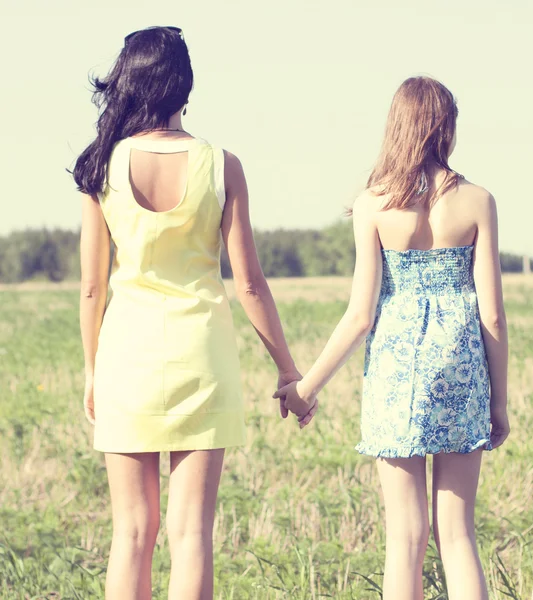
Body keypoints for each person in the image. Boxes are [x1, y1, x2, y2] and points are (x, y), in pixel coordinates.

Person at [72, 26, 316, 600]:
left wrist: (91, 369)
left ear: (129, 83)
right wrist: (287, 368)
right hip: (202, 356)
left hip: (126, 357)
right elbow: (250, 284)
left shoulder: (102, 165)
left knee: (131, 533)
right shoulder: (221, 164)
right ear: (185, 84)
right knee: (191, 536)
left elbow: (91, 286)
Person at [275, 76, 510, 600]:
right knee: (457, 536)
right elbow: (492, 314)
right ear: (446, 128)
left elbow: (359, 315)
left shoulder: (373, 205)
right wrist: (500, 402)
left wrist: (307, 387)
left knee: (404, 540)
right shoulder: (479, 201)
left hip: (396, 373)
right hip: (462, 370)